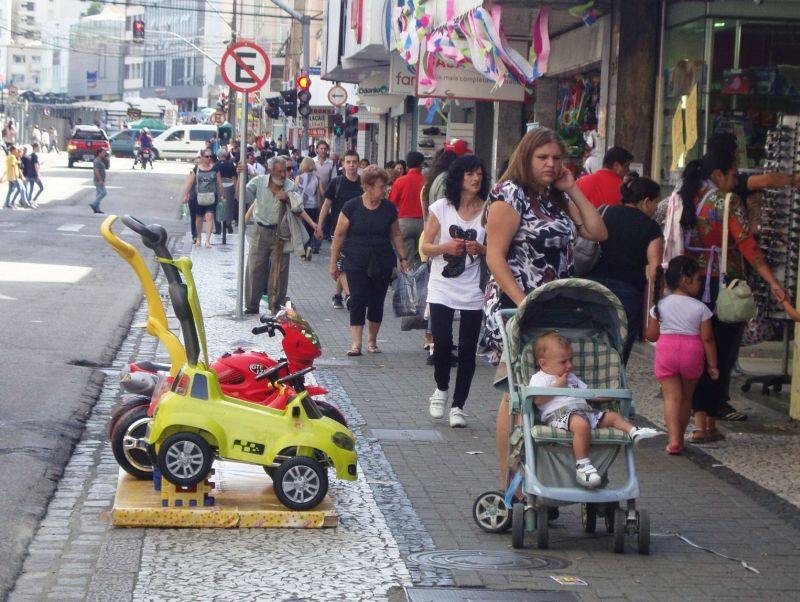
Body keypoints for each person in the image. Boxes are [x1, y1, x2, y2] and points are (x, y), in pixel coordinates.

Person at [483, 127, 607, 488]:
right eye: (543, 158)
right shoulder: (510, 195)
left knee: (549, 388)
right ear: (526, 158)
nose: (551, 164)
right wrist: (525, 305)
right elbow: (495, 257)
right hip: (516, 306)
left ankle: (543, 477)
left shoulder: (555, 197)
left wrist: (572, 188)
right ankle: (513, 481)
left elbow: (598, 233)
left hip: (557, 308)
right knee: (516, 393)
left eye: (556, 158)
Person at [679, 151, 786, 435]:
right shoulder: (727, 202)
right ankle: (704, 423)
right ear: (719, 175)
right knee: (721, 355)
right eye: (734, 173)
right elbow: (746, 244)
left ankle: (703, 419)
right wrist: (773, 283)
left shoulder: (684, 195)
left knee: (699, 351)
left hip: (690, 286)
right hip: (723, 287)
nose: (736, 179)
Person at [530, 332, 659, 488]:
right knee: (581, 426)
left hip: (585, 411)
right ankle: (582, 465)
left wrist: (610, 397)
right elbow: (536, 399)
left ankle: (635, 432)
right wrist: (558, 386)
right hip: (560, 417)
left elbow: (589, 395)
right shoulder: (540, 378)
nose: (569, 365)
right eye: (563, 362)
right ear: (543, 364)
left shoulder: (571, 377)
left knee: (613, 417)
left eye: (570, 360)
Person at [421, 155, 489, 428]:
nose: (476, 179)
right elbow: (425, 246)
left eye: (480, 174)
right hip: (442, 285)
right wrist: (445, 248)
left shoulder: (489, 210)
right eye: (470, 173)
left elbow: (495, 248)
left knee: (469, 349)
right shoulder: (442, 206)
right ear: (458, 177)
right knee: (442, 342)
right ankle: (441, 388)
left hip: (473, 287)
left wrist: (480, 250)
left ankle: (459, 406)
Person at [329, 166, 408, 355]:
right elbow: (339, 235)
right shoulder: (351, 207)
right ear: (368, 186)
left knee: (376, 301)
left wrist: (403, 258)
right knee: (357, 299)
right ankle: (356, 344)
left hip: (382, 260)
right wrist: (333, 262)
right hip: (356, 260)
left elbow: (396, 234)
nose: (385, 191)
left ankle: (372, 341)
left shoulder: (388, 208)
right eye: (382, 187)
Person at [587, 174, 663, 364]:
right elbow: (655, 272)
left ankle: (586, 388)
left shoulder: (605, 211)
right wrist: (655, 309)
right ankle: (612, 390)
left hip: (591, 286)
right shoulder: (652, 228)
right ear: (646, 202)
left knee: (589, 341)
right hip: (627, 292)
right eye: (655, 203)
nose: (656, 209)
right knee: (618, 351)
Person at [645, 256, 718, 455]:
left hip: (666, 350)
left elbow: (652, 335)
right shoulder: (701, 308)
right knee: (686, 398)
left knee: (671, 398)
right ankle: (681, 438)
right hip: (692, 352)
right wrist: (713, 365)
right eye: (698, 279)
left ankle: (673, 439)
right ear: (686, 281)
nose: (700, 284)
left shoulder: (659, 306)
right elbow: (708, 339)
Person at [243, 156, 320, 315]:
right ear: (271, 171)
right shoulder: (258, 181)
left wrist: (288, 198)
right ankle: (251, 305)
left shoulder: (290, 186)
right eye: (280, 171)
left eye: (286, 170)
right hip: (260, 230)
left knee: (280, 270)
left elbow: (298, 209)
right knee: (255, 268)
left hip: (281, 232)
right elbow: (242, 197)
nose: (284, 174)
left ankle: (276, 305)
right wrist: (239, 177)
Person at [318, 150, 363, 308]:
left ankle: (337, 295)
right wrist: (319, 225)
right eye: (348, 162)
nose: (351, 165)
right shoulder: (336, 183)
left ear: (358, 164)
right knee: (342, 262)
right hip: (339, 231)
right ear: (342, 164)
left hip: (358, 231)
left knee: (347, 263)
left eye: (354, 162)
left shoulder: (363, 184)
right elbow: (326, 205)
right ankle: (350, 295)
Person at [389, 151, 426, 266]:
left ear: (407, 165)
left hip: (404, 223)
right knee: (422, 258)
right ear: (421, 164)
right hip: (423, 223)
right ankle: (420, 282)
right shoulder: (427, 181)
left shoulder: (400, 181)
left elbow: (391, 203)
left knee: (406, 260)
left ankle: (407, 282)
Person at [181, 149, 221, 247]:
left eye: (210, 156)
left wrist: (223, 196)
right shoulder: (196, 169)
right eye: (207, 156)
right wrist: (186, 195)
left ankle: (207, 240)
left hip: (211, 197)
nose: (209, 158)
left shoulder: (215, 169)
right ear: (202, 157)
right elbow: (190, 182)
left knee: (209, 217)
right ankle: (198, 238)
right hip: (199, 198)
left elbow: (219, 183)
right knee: (199, 218)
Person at [295, 156, 323, 260]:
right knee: (311, 228)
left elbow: (295, 192)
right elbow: (320, 193)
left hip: (302, 206)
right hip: (314, 206)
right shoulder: (317, 178)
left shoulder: (299, 177)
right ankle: (310, 246)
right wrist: (320, 206)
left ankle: (303, 249)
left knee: (302, 228)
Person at [215, 148, 238, 236]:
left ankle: (218, 228)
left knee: (218, 206)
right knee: (229, 206)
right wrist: (235, 189)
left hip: (219, 189)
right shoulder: (231, 164)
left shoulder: (216, 165)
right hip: (229, 188)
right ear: (226, 156)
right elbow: (234, 178)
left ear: (218, 156)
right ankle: (228, 222)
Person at [90, 148, 109, 214]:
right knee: (104, 193)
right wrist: (100, 180)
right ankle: (93, 204)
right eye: (103, 153)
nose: (105, 154)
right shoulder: (97, 161)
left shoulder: (100, 160)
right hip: (98, 180)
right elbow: (97, 171)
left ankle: (97, 209)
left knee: (98, 194)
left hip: (100, 180)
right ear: (99, 153)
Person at [24, 143, 43, 207]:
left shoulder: (30, 155)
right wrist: (38, 175)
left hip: (29, 174)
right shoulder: (34, 156)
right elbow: (36, 165)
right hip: (34, 175)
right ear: (35, 147)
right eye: (38, 147)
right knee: (41, 188)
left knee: (31, 188)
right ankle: (33, 200)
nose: (39, 148)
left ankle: (29, 201)